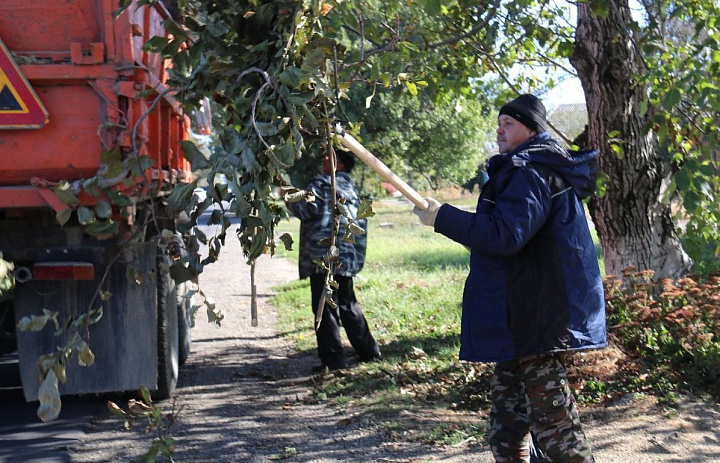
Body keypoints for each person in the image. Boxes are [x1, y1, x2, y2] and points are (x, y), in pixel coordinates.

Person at [413, 94, 606, 462]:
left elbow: (505, 235)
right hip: (520, 319)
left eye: (509, 124)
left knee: (556, 432)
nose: (500, 130)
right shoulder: (522, 169)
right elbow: (514, 242)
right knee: (507, 429)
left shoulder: (530, 172)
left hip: (539, 319)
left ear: (531, 129)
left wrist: (444, 219)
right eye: (499, 122)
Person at [285, 148, 382, 371]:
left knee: (325, 307)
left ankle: (334, 360)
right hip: (346, 255)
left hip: (323, 257)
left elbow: (306, 209)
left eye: (330, 157)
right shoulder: (350, 187)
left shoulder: (321, 183)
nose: (324, 158)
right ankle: (369, 352)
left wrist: (287, 196)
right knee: (347, 303)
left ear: (340, 165)